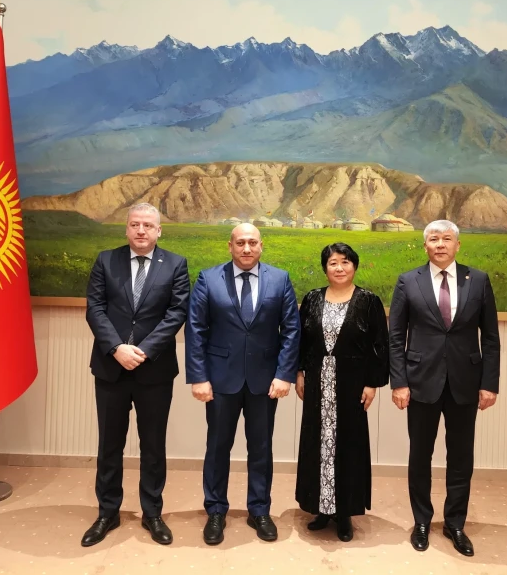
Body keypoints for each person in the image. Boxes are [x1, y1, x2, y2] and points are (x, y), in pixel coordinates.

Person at [388, 219, 500, 557]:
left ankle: (455, 523)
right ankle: (422, 521)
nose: (440, 244)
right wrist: (399, 382)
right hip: (420, 382)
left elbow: (490, 338)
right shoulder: (409, 281)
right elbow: (396, 337)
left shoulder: (477, 280)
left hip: (465, 382)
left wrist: (489, 384)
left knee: (461, 456)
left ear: (457, 245)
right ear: (425, 245)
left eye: (447, 239)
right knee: (420, 455)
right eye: (434, 239)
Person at [81, 203, 189, 548]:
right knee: (109, 444)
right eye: (135, 224)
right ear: (126, 228)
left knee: (153, 445)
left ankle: (152, 513)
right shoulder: (106, 260)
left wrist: (142, 351)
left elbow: (176, 312)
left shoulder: (175, 264)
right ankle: (107, 512)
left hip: (154, 370)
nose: (141, 231)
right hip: (111, 368)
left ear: (159, 231)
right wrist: (116, 348)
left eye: (148, 225)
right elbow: (95, 308)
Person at [185, 223, 301, 545]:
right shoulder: (208, 279)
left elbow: (291, 329)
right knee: (217, 447)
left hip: (265, 381)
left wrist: (284, 374)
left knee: (261, 448)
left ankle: (259, 510)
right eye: (240, 243)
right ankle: (216, 511)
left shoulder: (280, 279)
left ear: (261, 245)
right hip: (220, 379)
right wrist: (199, 377)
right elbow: (196, 329)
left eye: (252, 242)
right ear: (230, 246)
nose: (246, 248)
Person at [294, 243, 389, 542]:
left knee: (349, 444)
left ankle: (344, 512)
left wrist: (372, 383)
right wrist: (299, 372)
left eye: (345, 262)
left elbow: (379, 345)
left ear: (354, 266)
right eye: (333, 262)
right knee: (317, 443)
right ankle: (321, 508)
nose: (339, 268)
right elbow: (301, 340)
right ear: (325, 268)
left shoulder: (368, 301)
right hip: (317, 385)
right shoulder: (312, 298)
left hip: (351, 385)